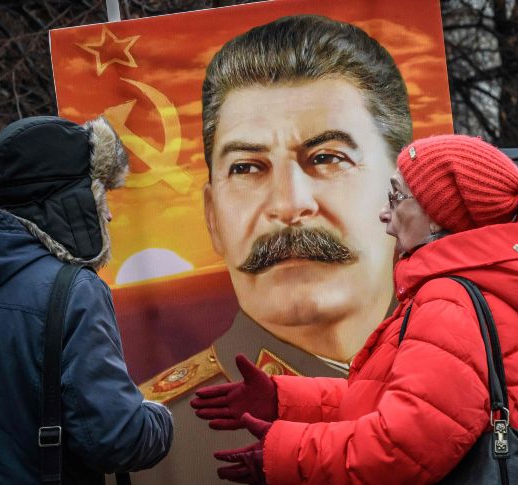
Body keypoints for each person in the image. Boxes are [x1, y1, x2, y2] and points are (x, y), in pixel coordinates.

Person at [129, 14, 412, 484]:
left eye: (326, 158)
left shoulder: (487, 384)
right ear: (212, 217)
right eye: (246, 168)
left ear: (403, 190)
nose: (288, 204)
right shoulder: (152, 442)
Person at [193, 134, 518, 484]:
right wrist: (284, 400)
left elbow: (406, 444)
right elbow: (401, 400)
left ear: (438, 214)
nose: (384, 216)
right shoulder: (475, 287)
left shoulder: (448, 300)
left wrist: (287, 451)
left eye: (397, 197)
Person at [0, 116, 173, 484]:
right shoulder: (73, 289)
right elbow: (117, 439)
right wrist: (158, 418)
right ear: (70, 202)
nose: (108, 213)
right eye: (100, 195)